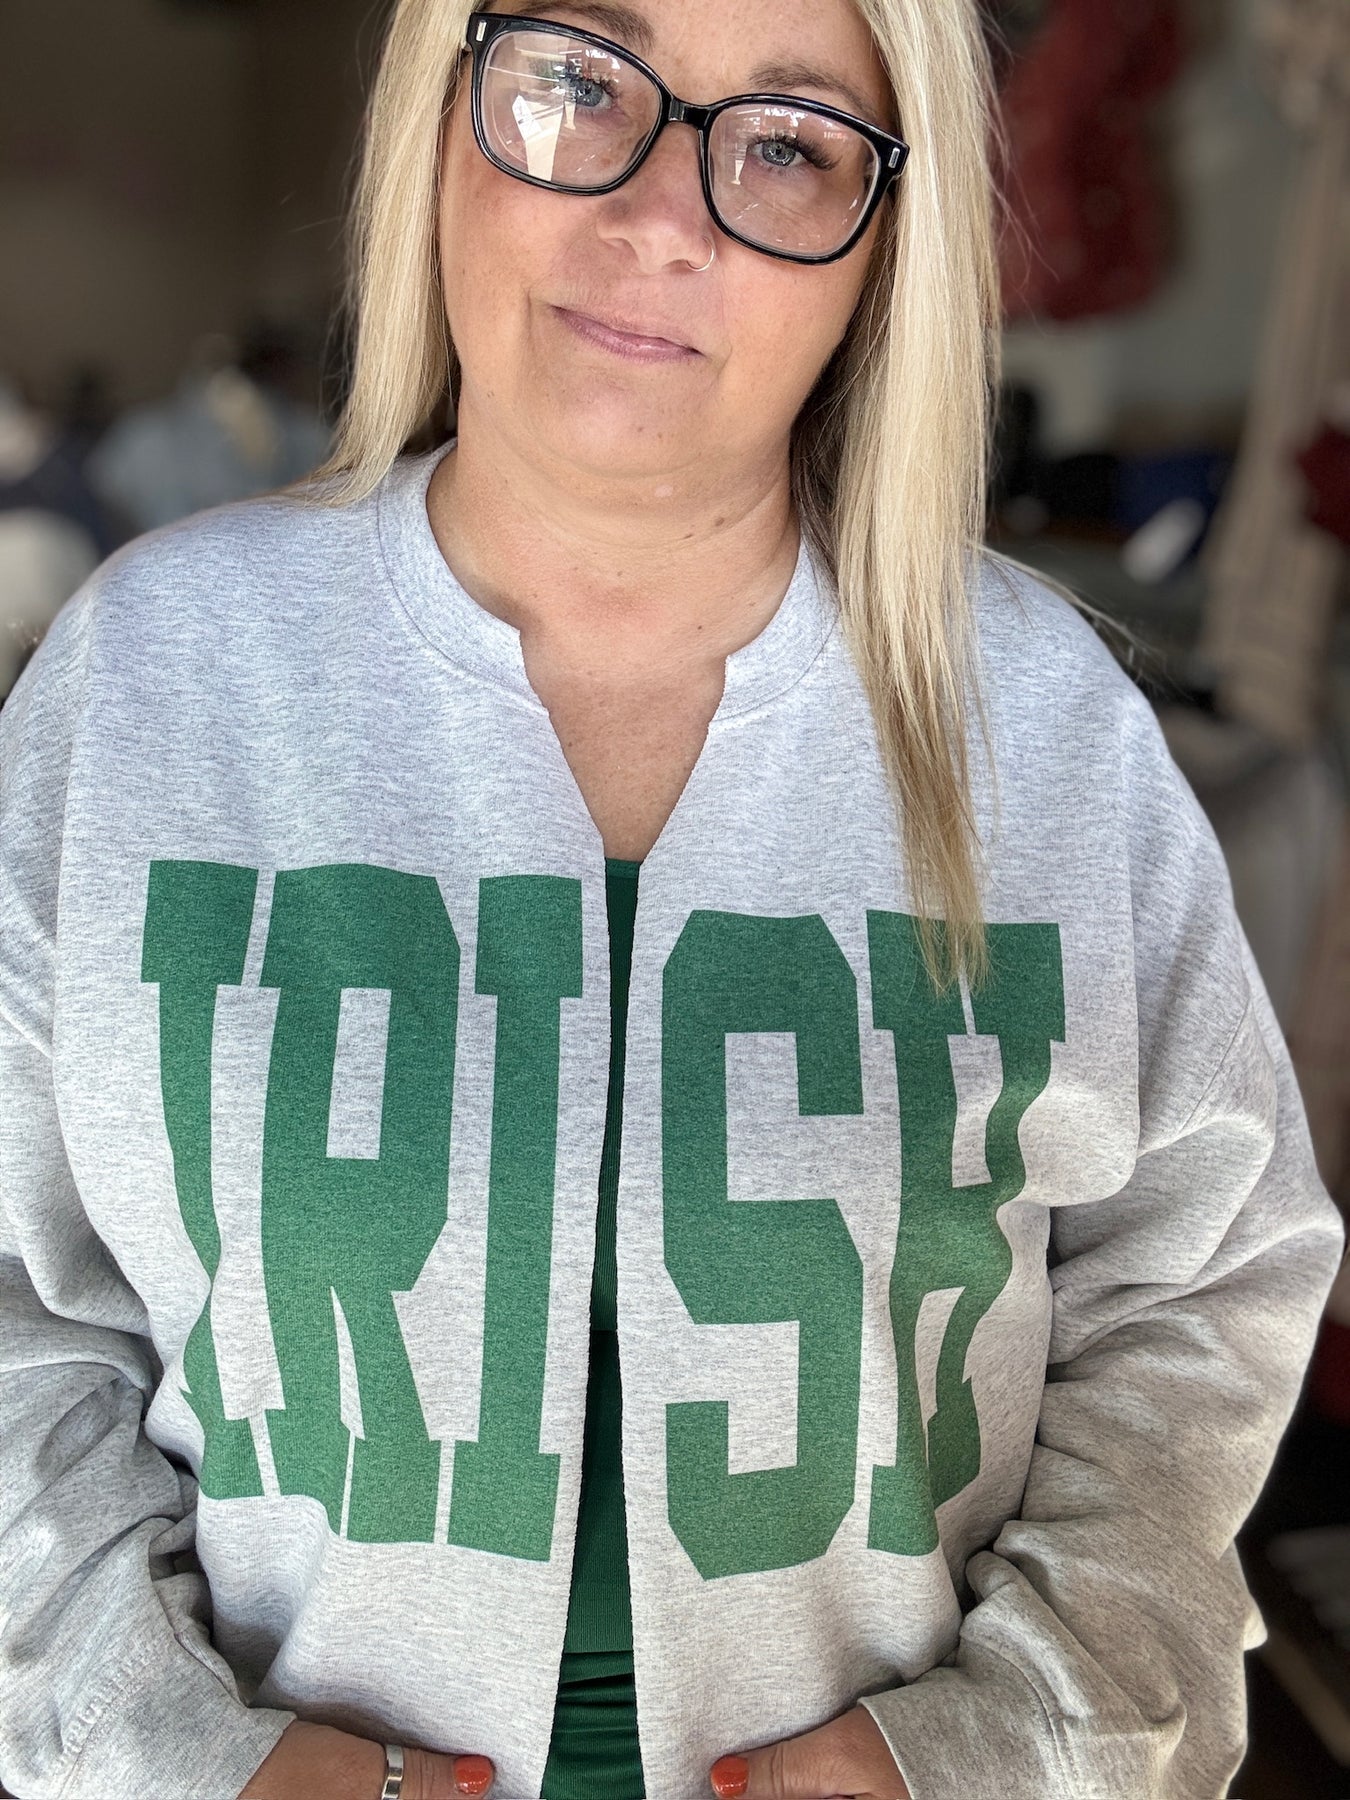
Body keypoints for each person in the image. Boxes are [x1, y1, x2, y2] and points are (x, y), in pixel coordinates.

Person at [0, 2, 1343, 1799]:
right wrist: (165, 1751)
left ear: (882, 246)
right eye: (576, 80)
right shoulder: (154, 673)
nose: (658, 219)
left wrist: (1001, 1741)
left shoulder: (1042, 725)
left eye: (785, 143)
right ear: (439, 117)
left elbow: (1203, 1277)